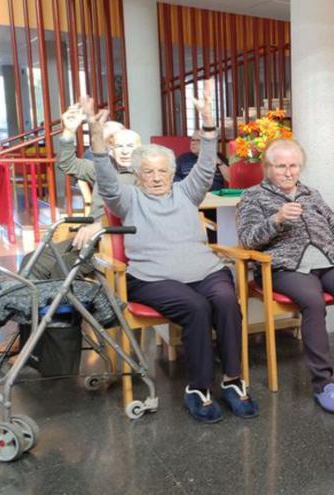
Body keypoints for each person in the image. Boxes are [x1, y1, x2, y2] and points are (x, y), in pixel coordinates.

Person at [91, 79, 259, 424]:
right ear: (137, 175)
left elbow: (207, 160)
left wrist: (208, 124)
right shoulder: (128, 198)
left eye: (162, 171)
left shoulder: (186, 192)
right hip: (152, 278)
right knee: (196, 308)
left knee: (227, 301)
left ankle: (232, 380)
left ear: (171, 172)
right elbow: (107, 182)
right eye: (148, 172)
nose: (156, 177)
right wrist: (95, 139)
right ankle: (198, 388)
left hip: (204, 270)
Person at [236, 138, 334, 414]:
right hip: (285, 267)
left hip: (327, 260)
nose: (289, 172)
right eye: (281, 166)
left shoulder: (310, 193)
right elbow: (248, 240)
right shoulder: (253, 197)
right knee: (313, 302)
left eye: (294, 166)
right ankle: (324, 382)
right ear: (267, 167)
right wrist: (276, 219)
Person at [56, 97, 141, 250]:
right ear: (111, 148)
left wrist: (100, 226)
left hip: (116, 239)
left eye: (129, 145)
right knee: (36, 260)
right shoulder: (101, 169)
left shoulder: (146, 175)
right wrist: (69, 131)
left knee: (56, 266)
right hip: (90, 234)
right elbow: (66, 164)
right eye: (118, 145)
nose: (124, 151)